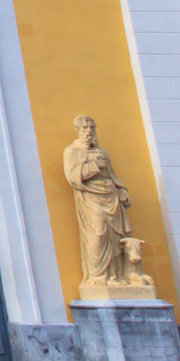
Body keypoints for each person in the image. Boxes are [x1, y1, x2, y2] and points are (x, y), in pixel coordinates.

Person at [64, 114, 141, 287]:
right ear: (78, 130)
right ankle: (98, 276)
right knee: (97, 234)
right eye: (85, 128)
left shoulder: (101, 151)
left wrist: (121, 189)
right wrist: (93, 167)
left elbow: (112, 174)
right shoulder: (72, 151)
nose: (89, 131)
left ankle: (116, 276)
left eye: (92, 127)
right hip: (91, 198)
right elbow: (72, 177)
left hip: (111, 197)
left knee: (114, 238)